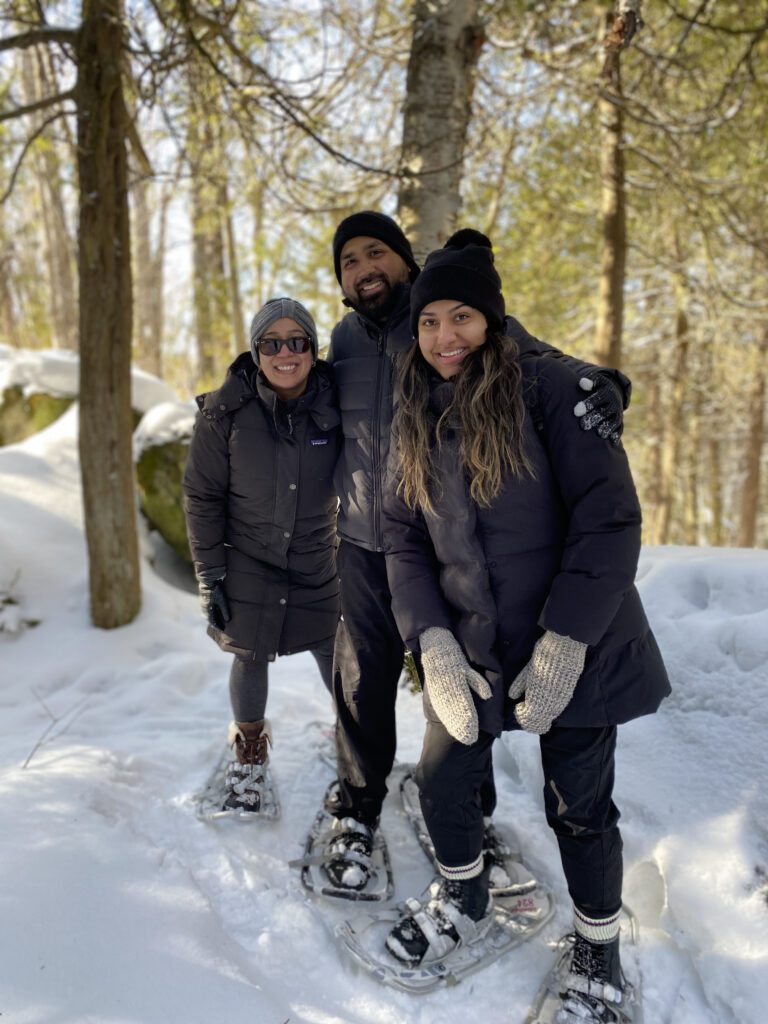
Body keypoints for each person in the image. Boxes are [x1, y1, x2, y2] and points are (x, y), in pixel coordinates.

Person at [381, 234, 670, 1018]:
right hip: (471, 644)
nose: (444, 336)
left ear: (493, 319)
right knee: (442, 778)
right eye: (429, 320)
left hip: (578, 643)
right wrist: (431, 639)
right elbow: (402, 538)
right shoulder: (412, 410)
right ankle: (465, 897)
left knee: (579, 806)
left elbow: (609, 522)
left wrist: (565, 640)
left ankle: (598, 945)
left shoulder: (554, 391)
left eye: (462, 316)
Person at [321, 212, 632, 891]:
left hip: (441, 547)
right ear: (341, 283)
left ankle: (471, 812)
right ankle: (359, 805)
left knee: (468, 691)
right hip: (368, 543)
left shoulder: (444, 317)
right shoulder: (340, 341)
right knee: (361, 682)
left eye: (377, 252)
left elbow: (531, 356)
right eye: (349, 261)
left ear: (406, 261)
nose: (365, 267)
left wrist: (602, 382)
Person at [182, 297, 341, 814]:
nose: (285, 353)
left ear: (313, 349)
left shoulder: (339, 404)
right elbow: (202, 496)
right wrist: (211, 575)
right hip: (247, 557)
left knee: (336, 652)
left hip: (318, 557)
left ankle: (354, 741)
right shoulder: (223, 413)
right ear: (255, 351)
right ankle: (249, 751)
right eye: (271, 343)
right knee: (249, 653)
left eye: (297, 341)